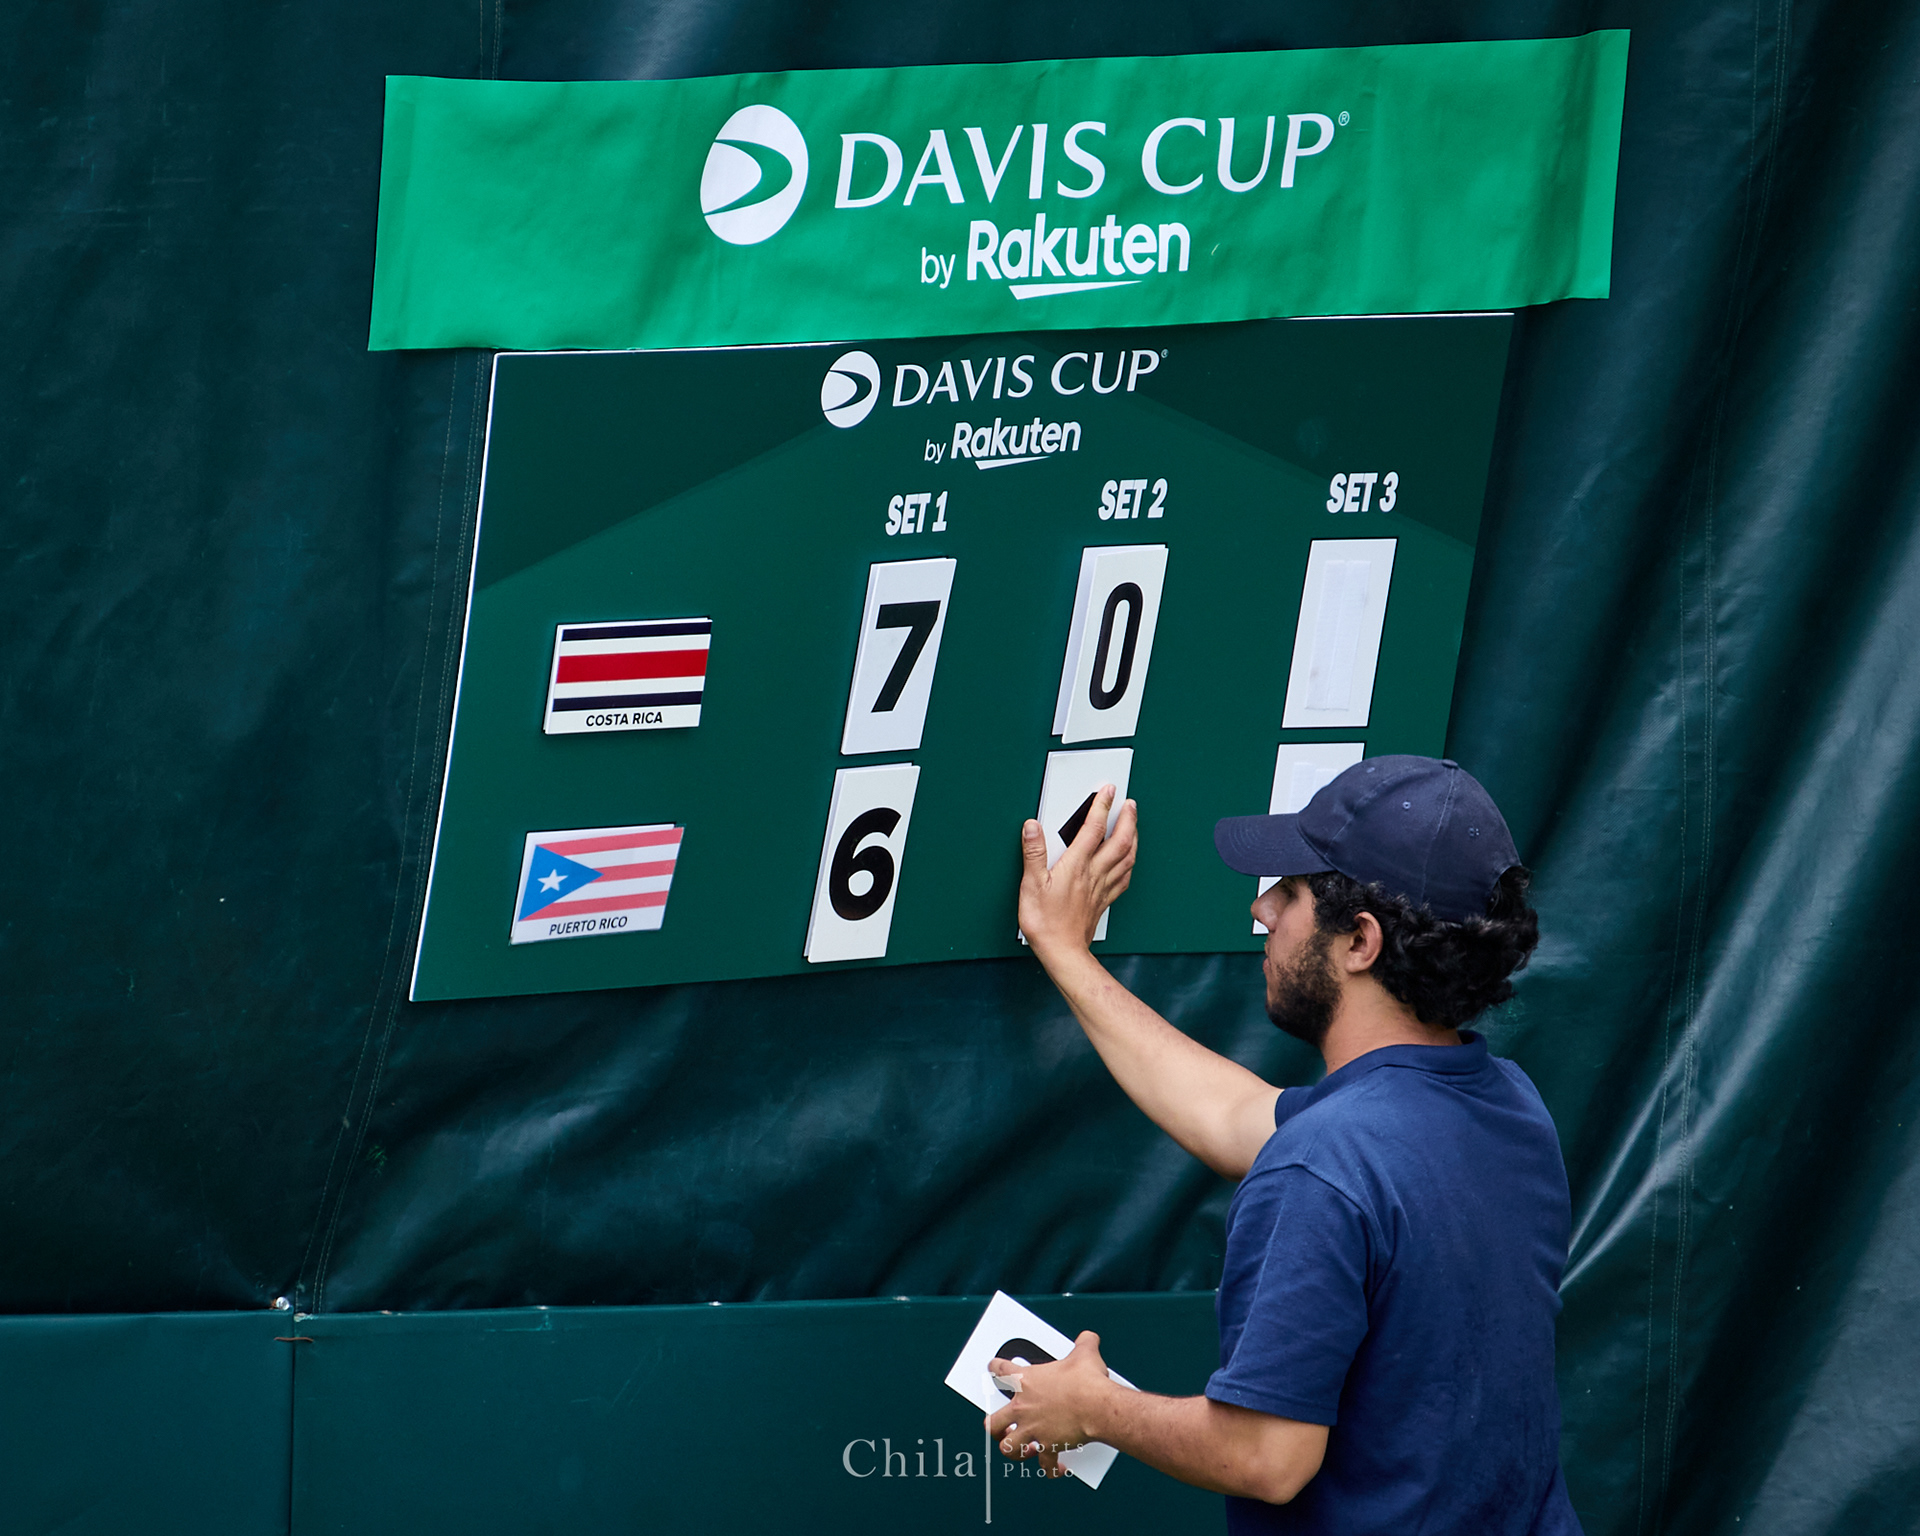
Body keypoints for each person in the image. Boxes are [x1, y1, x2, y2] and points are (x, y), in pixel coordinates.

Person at [987, 755, 1579, 1534]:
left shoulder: (1324, 1165)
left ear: (1360, 941)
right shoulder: (1509, 1105)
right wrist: (1065, 950)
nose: (1264, 908)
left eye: (1291, 892)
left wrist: (1094, 1407)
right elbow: (1238, 1115)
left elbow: (1267, 1456)